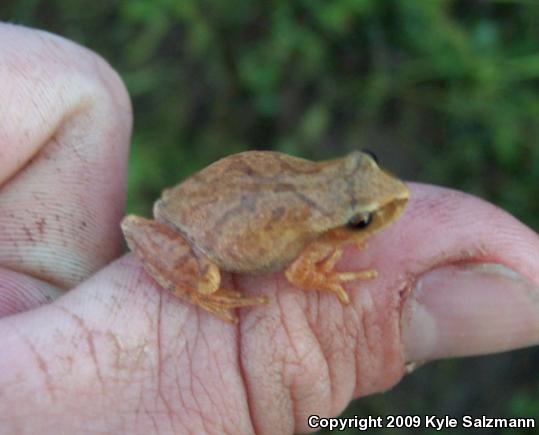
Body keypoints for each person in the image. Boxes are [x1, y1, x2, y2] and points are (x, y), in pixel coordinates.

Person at [1, 23, 538, 435]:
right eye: (362, 222)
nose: (392, 197)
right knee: (209, 282)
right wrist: (328, 277)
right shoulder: (315, 234)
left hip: (199, 201)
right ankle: (201, 289)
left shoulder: (323, 205)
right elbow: (303, 275)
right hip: (196, 239)